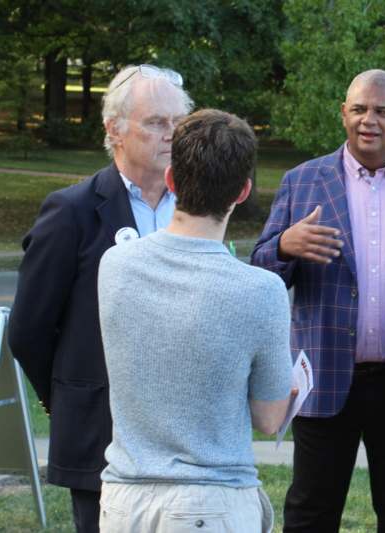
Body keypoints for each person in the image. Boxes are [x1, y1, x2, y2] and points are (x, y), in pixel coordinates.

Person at [251, 69, 385, 532]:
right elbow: (261, 276)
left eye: (381, 111)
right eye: (358, 109)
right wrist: (285, 246)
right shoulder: (302, 181)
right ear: (343, 113)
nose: (368, 120)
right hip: (324, 374)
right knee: (310, 512)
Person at [7, 64, 192, 533]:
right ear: (115, 130)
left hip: (185, 436)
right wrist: (71, 395)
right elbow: (28, 330)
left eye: (179, 122)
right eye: (157, 122)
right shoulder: (72, 211)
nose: (171, 134)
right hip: (102, 436)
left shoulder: (198, 208)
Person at [96, 108, 292, 532]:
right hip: (211, 499)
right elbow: (269, 418)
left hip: (123, 501)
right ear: (243, 191)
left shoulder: (114, 265)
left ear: (171, 179)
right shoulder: (261, 290)